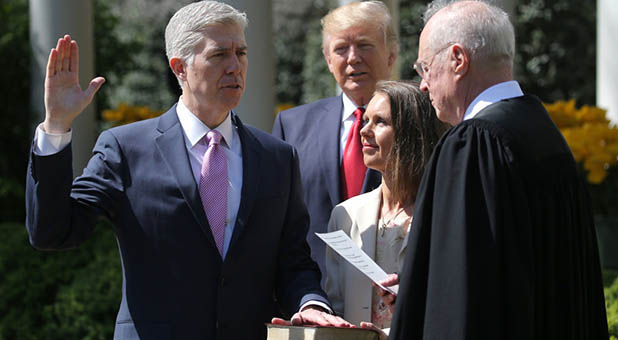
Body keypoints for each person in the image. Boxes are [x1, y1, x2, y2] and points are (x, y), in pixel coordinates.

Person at [24, 2, 352, 339]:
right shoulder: (125, 148)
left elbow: (293, 260)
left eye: (241, 52)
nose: (235, 66)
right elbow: (53, 232)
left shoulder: (277, 157)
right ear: (180, 68)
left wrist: (311, 303)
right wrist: (56, 126)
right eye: (219, 54)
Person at [382, 1, 609, 339]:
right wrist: (424, 285)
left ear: (458, 60)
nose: (424, 85)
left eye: (425, 68)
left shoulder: (472, 144)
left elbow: (465, 296)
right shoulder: (545, 134)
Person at [272, 1, 398, 278]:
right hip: (315, 293)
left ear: (391, 55)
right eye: (341, 49)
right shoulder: (291, 126)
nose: (353, 58)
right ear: (329, 61)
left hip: (393, 291)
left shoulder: (417, 123)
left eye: (364, 45)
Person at [324, 81, 446, 330]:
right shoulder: (345, 215)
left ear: (411, 133)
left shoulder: (444, 213)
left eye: (380, 122)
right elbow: (336, 309)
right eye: (366, 119)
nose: (364, 130)